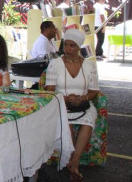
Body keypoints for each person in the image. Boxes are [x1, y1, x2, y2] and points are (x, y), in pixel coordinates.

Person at [45, 29, 99, 181]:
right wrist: (66, 99)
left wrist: (82, 99)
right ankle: (73, 163)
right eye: (66, 45)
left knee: (88, 120)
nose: (68, 49)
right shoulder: (55, 64)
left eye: (72, 46)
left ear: (79, 47)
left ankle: (74, 162)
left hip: (84, 105)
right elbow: (49, 90)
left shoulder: (89, 65)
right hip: (61, 104)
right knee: (66, 121)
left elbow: (94, 91)